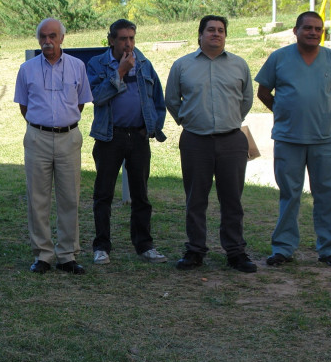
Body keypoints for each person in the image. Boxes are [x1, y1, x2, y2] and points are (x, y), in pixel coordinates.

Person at [255, 11, 331, 267]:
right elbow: (263, 91)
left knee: (328, 195)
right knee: (290, 195)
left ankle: (329, 249)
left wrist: (318, 111)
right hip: (289, 139)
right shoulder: (279, 58)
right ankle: (283, 248)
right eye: (307, 28)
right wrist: (284, 110)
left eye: (318, 29)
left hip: (324, 140)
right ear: (295, 31)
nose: (313, 32)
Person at [165, 15, 256, 273]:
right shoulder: (182, 66)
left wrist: (232, 120)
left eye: (221, 30)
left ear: (225, 35)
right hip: (195, 141)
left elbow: (246, 99)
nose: (216, 34)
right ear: (200, 35)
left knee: (232, 200)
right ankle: (195, 251)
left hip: (232, 141)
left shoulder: (239, 65)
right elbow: (172, 99)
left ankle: (236, 252)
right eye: (211, 30)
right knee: (195, 199)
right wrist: (188, 120)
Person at [14, 18, 93, 275]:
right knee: (38, 198)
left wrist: (62, 123)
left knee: (70, 197)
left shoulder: (77, 66)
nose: (48, 41)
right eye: (43, 37)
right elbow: (24, 106)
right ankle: (43, 255)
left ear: (62, 38)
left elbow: (80, 103)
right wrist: (44, 125)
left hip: (69, 137)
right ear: (38, 39)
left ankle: (67, 254)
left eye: (53, 36)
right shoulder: (26, 69)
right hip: (37, 137)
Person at [86, 19, 167, 265]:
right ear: (111, 40)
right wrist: (119, 72)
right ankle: (102, 247)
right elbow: (96, 97)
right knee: (103, 195)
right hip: (110, 136)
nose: (128, 43)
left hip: (138, 136)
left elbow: (158, 100)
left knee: (141, 195)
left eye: (131, 38)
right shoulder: (97, 64)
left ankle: (144, 246)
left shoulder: (144, 63)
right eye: (122, 39)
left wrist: (152, 127)